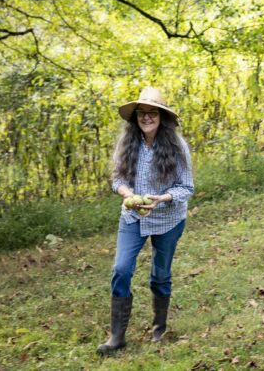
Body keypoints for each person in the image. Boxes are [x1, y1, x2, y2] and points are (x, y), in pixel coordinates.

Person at [97, 86, 194, 355]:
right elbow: (117, 180)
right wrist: (129, 195)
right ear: (135, 117)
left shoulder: (177, 146)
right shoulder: (127, 144)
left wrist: (161, 199)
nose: (147, 117)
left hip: (169, 219)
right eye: (142, 113)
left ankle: (159, 328)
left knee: (160, 275)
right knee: (121, 269)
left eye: (153, 113)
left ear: (162, 117)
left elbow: (187, 188)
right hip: (133, 217)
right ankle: (117, 336)